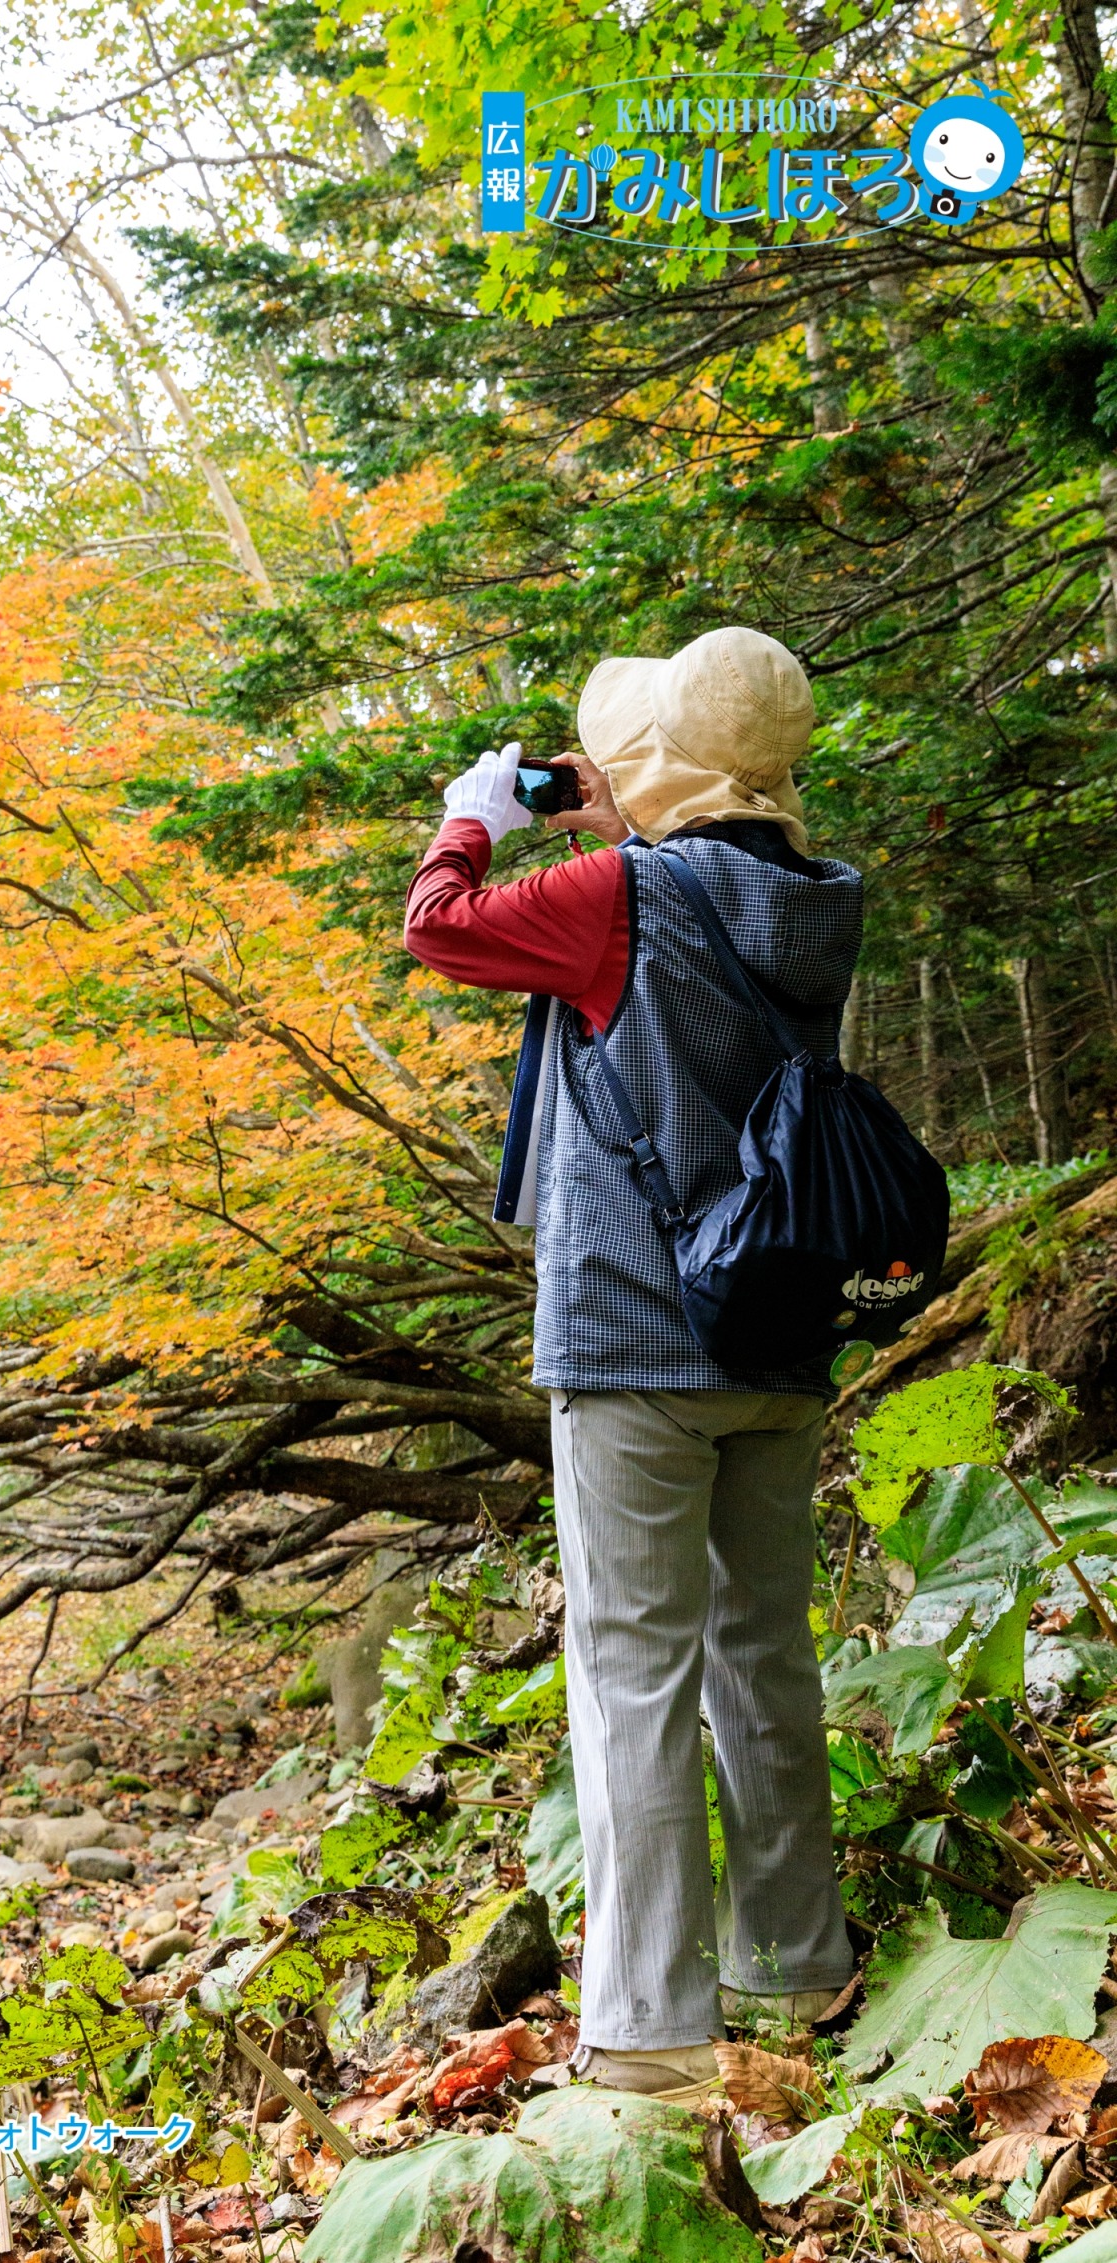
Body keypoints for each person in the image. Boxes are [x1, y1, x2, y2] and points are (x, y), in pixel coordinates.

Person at [404, 626, 859, 2099]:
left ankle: (656, 2030)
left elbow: (442, 923)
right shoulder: (818, 895)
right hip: (777, 1335)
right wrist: (628, 822)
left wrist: (474, 806)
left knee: (631, 1678)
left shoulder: (616, 898)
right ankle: (797, 1972)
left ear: (664, 760)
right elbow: (687, 909)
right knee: (765, 1660)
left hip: (628, 1340)